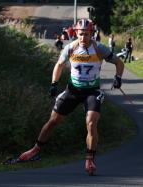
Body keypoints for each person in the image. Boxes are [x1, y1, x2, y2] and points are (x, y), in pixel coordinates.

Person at [18, 18, 124, 175]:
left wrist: (118, 77)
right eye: (80, 34)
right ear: (76, 33)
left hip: (92, 91)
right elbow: (59, 65)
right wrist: (54, 83)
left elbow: (119, 63)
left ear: (91, 34)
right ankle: (35, 149)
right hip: (73, 91)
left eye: (86, 35)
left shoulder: (99, 48)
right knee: (53, 121)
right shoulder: (70, 48)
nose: (83, 38)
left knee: (91, 123)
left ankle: (89, 159)